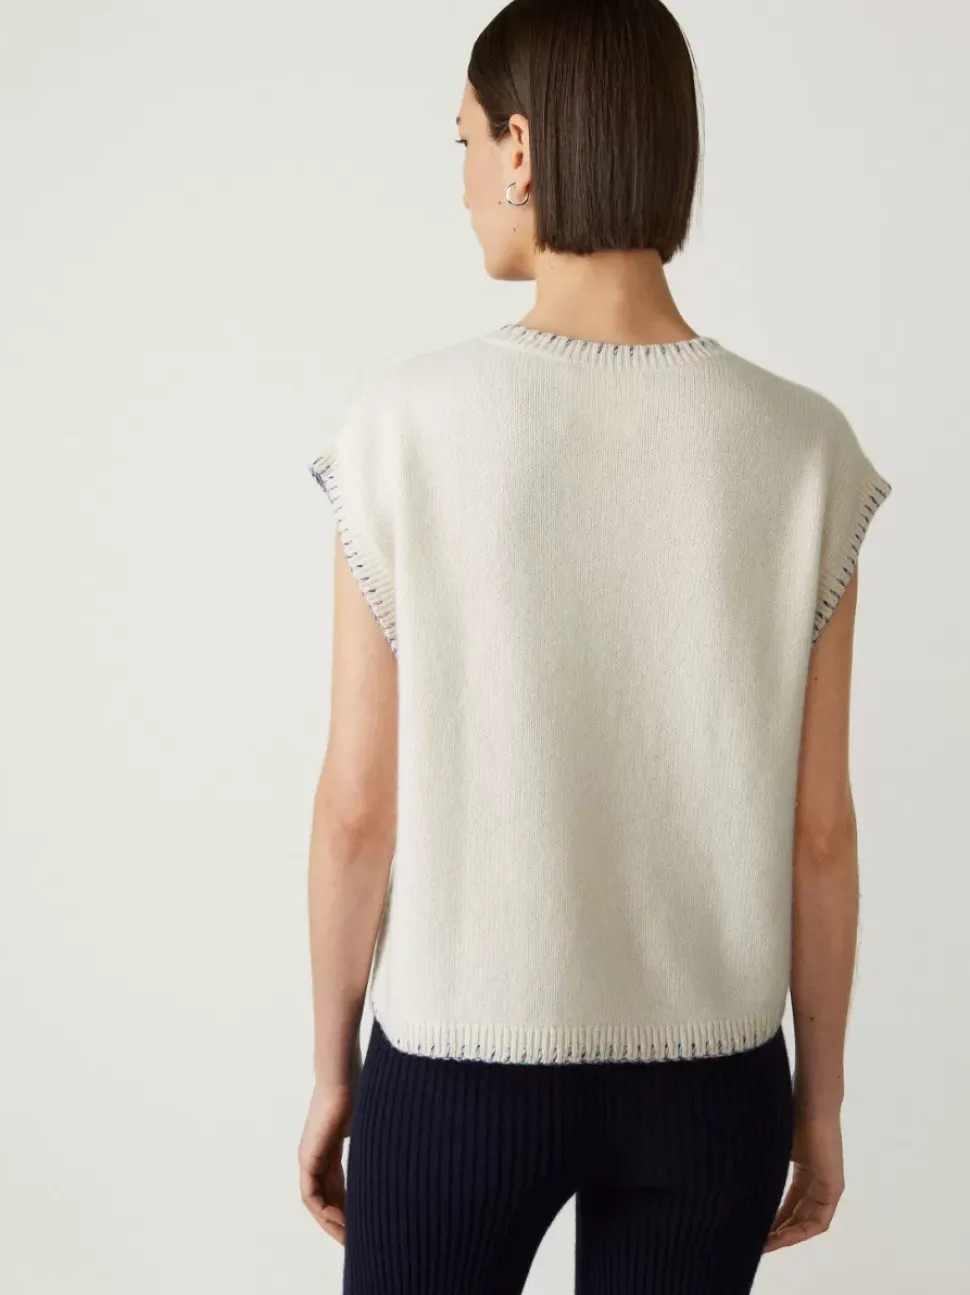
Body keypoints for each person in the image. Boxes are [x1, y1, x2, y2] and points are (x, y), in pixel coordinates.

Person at [298, 1, 893, 1291]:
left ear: (521, 149)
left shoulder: (404, 428)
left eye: (464, 140)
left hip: (458, 1064)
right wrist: (822, 1102)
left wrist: (334, 1073)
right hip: (713, 1081)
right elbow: (821, 834)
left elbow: (356, 811)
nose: (463, 180)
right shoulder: (806, 449)